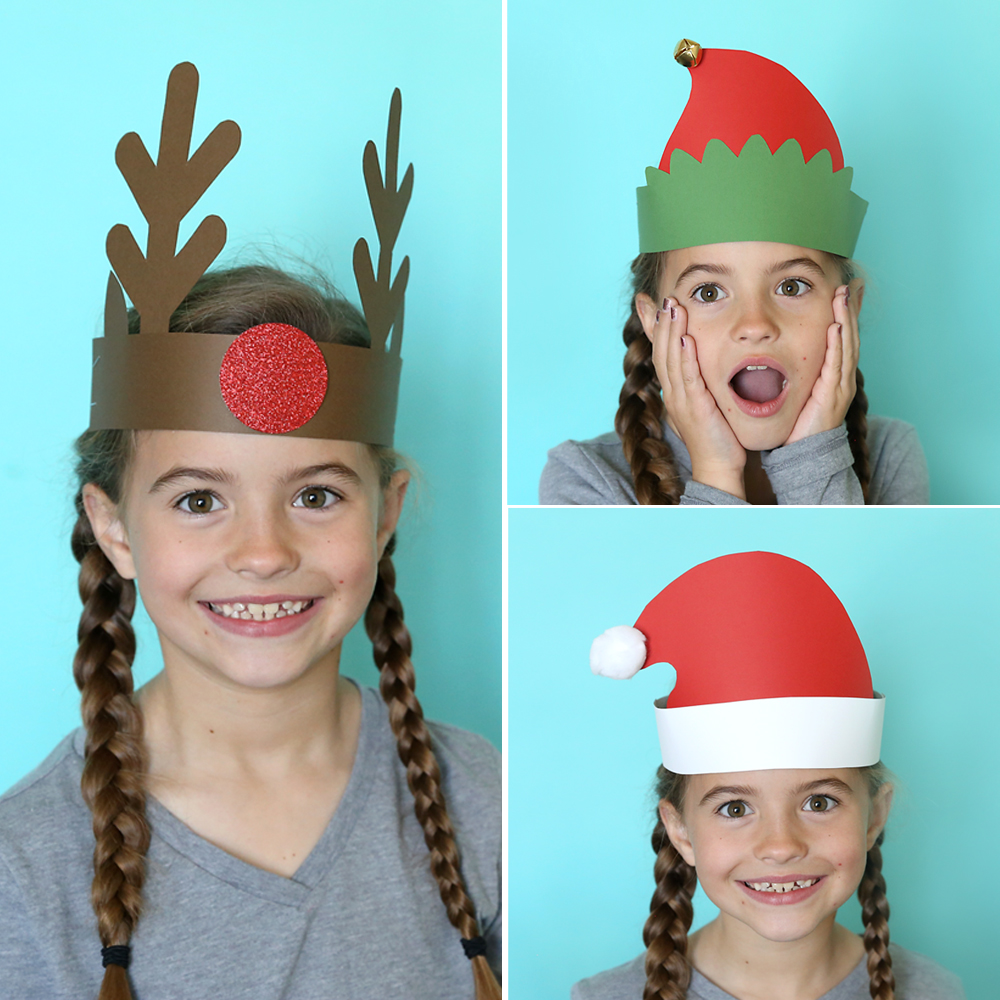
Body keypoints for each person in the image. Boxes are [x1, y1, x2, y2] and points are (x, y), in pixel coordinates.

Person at [0, 64, 501, 1000]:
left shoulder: (493, 811)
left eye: (316, 496)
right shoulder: (22, 876)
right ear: (111, 528)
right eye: (198, 500)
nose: (264, 552)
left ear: (386, 513)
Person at [540, 42, 928, 505]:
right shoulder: (587, 480)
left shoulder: (889, 456)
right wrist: (717, 470)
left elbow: (838, 580)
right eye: (708, 292)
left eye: (791, 286)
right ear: (653, 320)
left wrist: (813, 459)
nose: (755, 325)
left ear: (848, 309)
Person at [579, 552, 962, 999]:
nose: (780, 846)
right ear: (680, 831)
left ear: (875, 816)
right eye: (735, 808)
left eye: (819, 803)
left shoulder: (937, 991)